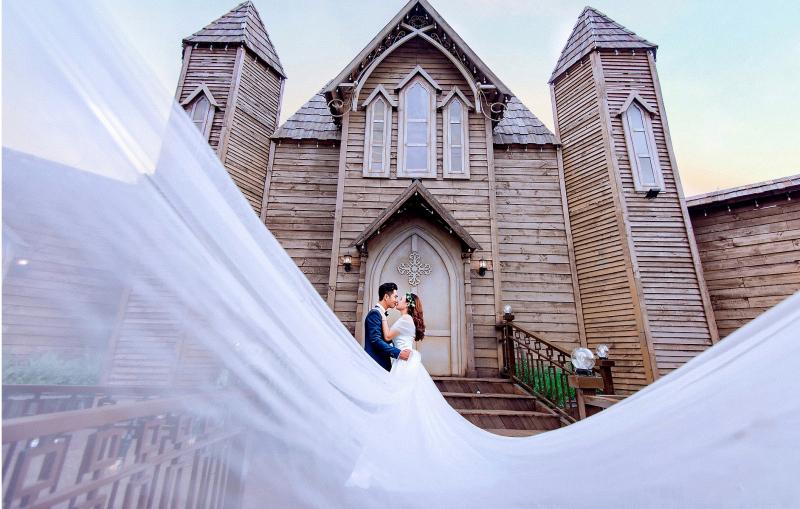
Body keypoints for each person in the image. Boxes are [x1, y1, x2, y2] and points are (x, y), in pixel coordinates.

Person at [364, 282, 411, 371]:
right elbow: (376, 340)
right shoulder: (374, 314)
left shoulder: (380, 314)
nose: (396, 300)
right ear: (386, 297)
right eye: (395, 297)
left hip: (381, 362)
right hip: (376, 362)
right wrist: (398, 353)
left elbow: (384, 338)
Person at [382, 292, 425, 368]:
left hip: (403, 359)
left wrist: (383, 317)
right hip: (403, 357)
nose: (397, 301)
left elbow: (387, 337)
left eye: (401, 299)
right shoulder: (407, 319)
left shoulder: (406, 319)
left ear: (407, 304)